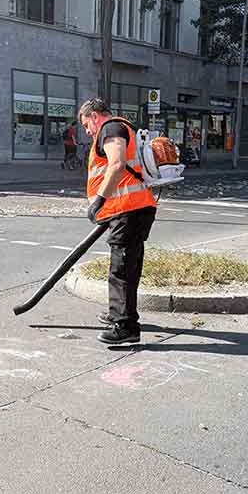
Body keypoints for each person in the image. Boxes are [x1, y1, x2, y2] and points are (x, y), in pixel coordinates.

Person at [80, 98, 158, 346]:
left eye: (86, 125)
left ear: (94, 116)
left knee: (122, 270)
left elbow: (117, 164)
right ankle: (121, 314)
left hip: (129, 210)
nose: (87, 131)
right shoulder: (119, 127)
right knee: (127, 268)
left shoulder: (111, 128)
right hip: (131, 209)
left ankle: (125, 326)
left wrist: (99, 200)